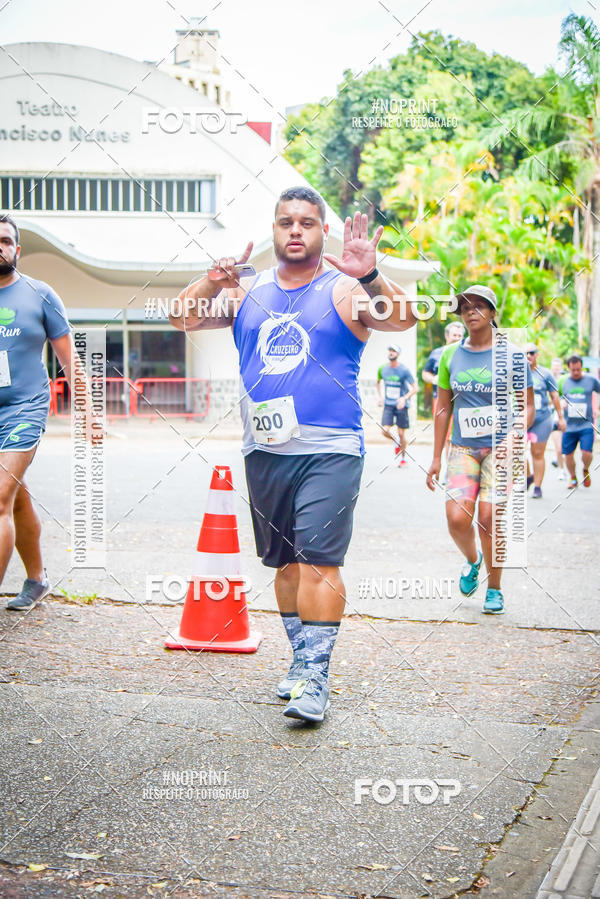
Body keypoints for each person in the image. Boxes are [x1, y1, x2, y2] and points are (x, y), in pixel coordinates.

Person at [169, 186, 417, 722]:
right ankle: (301, 663)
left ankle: (316, 680)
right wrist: (210, 280)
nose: (297, 230)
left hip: (330, 449)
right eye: (286, 222)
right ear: (275, 231)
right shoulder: (248, 290)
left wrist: (372, 274)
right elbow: (180, 318)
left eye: (308, 222)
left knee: (318, 561)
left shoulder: (345, 289)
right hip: (264, 449)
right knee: (284, 564)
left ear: (322, 231)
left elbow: (403, 319)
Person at [0, 214, 92, 610]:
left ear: (17, 250)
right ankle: (37, 579)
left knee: (0, 494)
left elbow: (70, 360)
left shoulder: (40, 294)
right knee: (14, 496)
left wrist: (89, 412)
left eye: (5, 240)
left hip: (25, 408)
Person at [426, 285, 534, 615]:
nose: (471, 311)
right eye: (465, 307)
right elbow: (443, 407)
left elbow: (527, 406)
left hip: (502, 451)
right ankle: (472, 561)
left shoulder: (513, 355)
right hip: (463, 449)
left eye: (479, 306)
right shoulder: (449, 355)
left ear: (492, 312)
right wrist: (435, 457)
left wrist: (514, 437)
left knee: (488, 518)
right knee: (457, 517)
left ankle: (495, 588)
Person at [526, 345, 565, 498]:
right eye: (525, 353)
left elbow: (555, 397)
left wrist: (561, 418)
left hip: (541, 419)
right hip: (521, 419)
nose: (528, 355)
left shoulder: (545, 374)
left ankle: (537, 486)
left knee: (537, 453)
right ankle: (529, 476)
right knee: (515, 452)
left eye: (531, 353)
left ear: (537, 355)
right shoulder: (515, 372)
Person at [559, 354, 600, 489]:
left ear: (582, 367)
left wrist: (597, 408)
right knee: (568, 455)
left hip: (586, 424)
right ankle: (573, 478)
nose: (576, 372)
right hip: (569, 425)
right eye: (573, 370)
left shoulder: (591, 380)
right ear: (568, 368)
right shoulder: (563, 381)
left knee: (586, 453)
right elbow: (556, 397)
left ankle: (585, 469)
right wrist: (562, 402)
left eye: (578, 369)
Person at [376, 344, 416, 466]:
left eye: (394, 351)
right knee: (384, 430)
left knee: (401, 433)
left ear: (398, 354)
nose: (391, 353)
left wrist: (404, 398)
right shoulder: (382, 369)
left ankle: (403, 459)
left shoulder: (404, 370)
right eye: (390, 351)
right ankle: (397, 442)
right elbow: (377, 383)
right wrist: (380, 397)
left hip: (401, 405)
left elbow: (415, 388)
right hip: (388, 404)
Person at [422, 321, 465, 417]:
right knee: (443, 430)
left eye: (459, 336)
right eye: (454, 335)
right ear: (446, 336)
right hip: (440, 398)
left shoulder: (468, 354)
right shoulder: (436, 353)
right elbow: (425, 373)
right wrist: (433, 379)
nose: (457, 338)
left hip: (463, 400)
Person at [550, 357, 566, 478]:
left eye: (557, 366)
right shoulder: (547, 379)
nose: (556, 368)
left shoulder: (565, 380)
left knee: (565, 447)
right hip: (553, 417)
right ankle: (562, 470)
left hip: (567, 418)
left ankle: (565, 464)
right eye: (554, 366)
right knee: (558, 447)